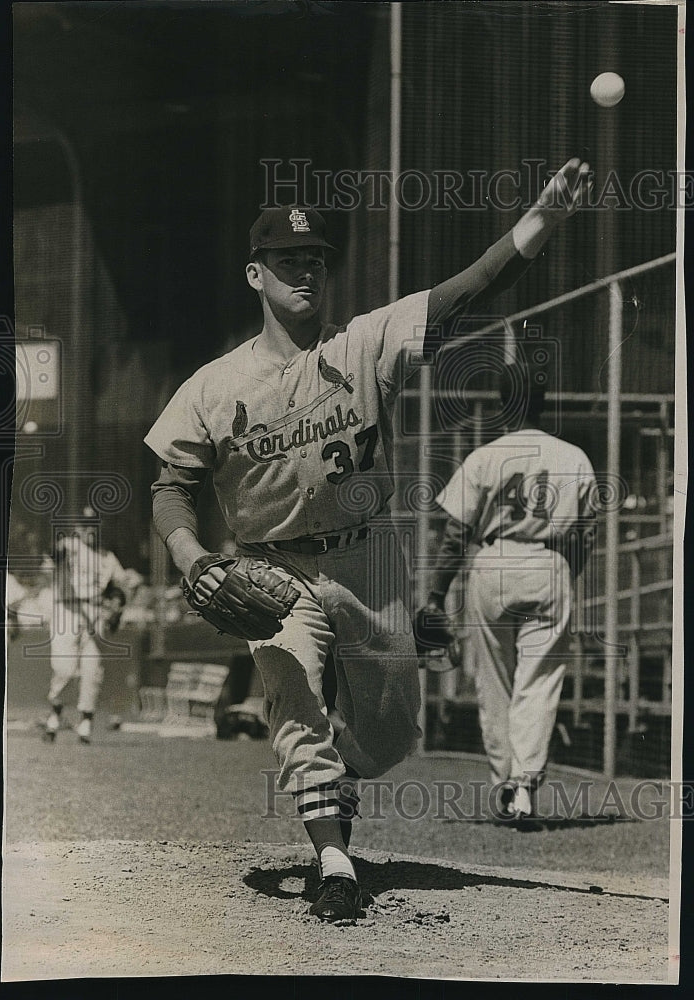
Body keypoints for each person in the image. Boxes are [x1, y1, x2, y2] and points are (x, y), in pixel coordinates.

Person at [145, 158, 591, 920]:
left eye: (316, 259)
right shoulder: (213, 386)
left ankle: (333, 776)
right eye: (288, 261)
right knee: (295, 706)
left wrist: (539, 223)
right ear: (256, 276)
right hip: (271, 567)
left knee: (389, 739)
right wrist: (191, 555)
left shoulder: (364, 345)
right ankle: (335, 859)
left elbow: (467, 292)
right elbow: (171, 487)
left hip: (369, 556)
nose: (306, 271)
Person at [417, 362, 597, 821]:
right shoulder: (573, 456)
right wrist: (564, 575)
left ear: (501, 405)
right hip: (549, 559)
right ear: (543, 403)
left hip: (494, 561)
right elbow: (587, 534)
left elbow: (455, 534)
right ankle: (525, 786)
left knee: (494, 682)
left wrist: (436, 595)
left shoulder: (485, 456)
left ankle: (503, 785)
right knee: (539, 682)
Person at [44, 512, 128, 745]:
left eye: (93, 525)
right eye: (84, 525)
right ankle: (55, 708)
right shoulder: (70, 546)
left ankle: (85, 723)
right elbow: (53, 555)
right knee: (65, 670)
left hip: (95, 612)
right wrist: (59, 548)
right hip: (67, 611)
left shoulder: (106, 557)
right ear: (77, 528)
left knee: (92, 671)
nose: (89, 530)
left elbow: (121, 588)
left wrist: (117, 607)